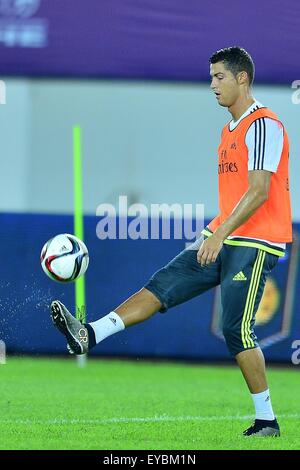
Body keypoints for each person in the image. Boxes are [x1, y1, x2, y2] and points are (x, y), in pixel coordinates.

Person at [50, 47, 292, 437]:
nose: (212, 84)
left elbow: (260, 191)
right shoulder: (227, 130)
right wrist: (211, 233)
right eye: (211, 77)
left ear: (242, 78)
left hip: (256, 242)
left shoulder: (265, 125)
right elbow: (234, 196)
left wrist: (223, 233)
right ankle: (90, 334)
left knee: (236, 329)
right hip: (222, 234)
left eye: (219, 77)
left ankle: (267, 420)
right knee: (163, 284)